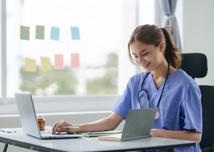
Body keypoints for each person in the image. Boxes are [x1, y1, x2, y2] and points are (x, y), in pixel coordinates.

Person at [52, 24, 202, 152]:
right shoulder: (136, 82)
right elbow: (111, 122)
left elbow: (196, 137)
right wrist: (75, 128)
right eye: (135, 56)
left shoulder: (185, 85)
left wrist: (154, 133)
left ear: (161, 46)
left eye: (145, 54)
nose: (140, 61)